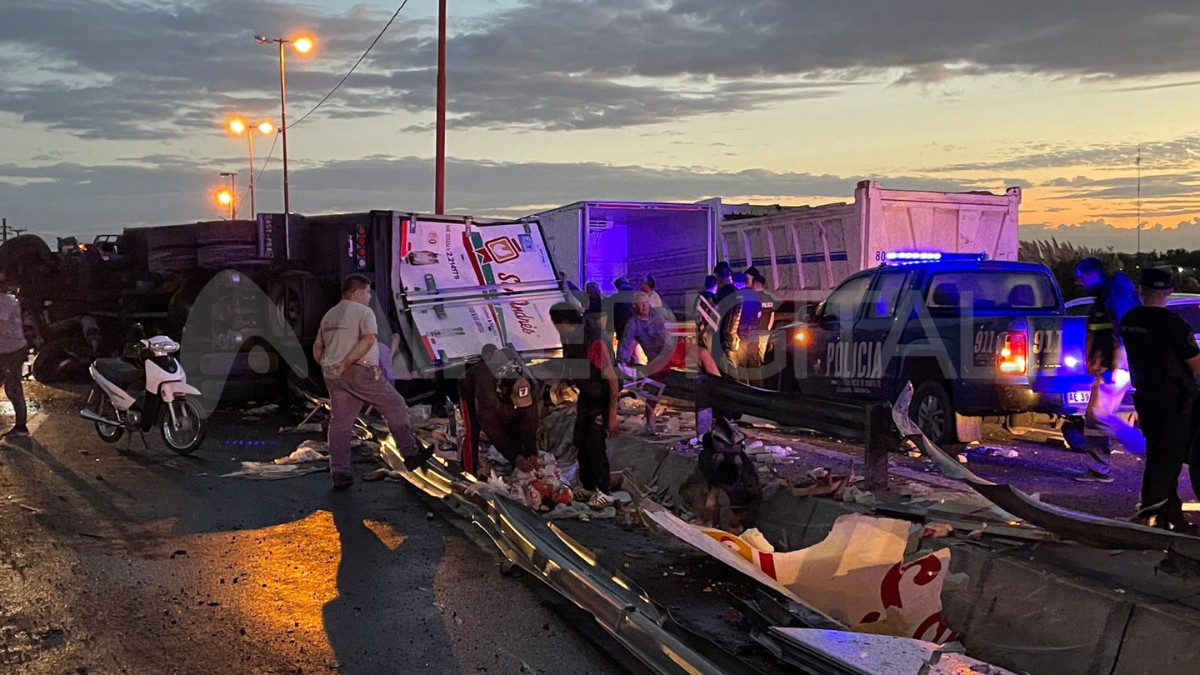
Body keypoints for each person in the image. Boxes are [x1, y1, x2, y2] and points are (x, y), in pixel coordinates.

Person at [315, 275, 430, 489]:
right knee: (395, 405)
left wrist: (328, 364)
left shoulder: (329, 315)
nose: (369, 297)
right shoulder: (363, 312)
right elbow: (367, 340)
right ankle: (410, 453)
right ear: (358, 291)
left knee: (340, 422)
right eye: (367, 292)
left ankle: (339, 472)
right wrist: (348, 363)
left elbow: (318, 346)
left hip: (333, 376)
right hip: (359, 371)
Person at [1119, 268, 1200, 531]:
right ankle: (1150, 516)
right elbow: (1195, 364)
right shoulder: (1173, 324)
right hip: (1173, 399)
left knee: (1158, 453)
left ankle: (1171, 516)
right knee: (1168, 459)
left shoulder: (1130, 320)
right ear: (1169, 291)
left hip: (1145, 396)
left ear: (1140, 290)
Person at [1075, 257, 1143, 482]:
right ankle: (1099, 467)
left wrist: (1111, 366)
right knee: (1097, 417)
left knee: (1099, 416)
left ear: (1092, 274)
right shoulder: (1109, 295)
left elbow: (1118, 331)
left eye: (1081, 278)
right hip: (1114, 366)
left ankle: (1137, 445)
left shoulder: (1110, 297)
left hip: (1114, 367)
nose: (1080, 283)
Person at [550, 302, 620, 509]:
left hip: (602, 395)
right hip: (587, 394)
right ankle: (588, 486)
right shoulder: (569, 337)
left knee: (595, 443)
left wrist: (612, 415)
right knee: (580, 438)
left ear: (562, 322)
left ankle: (603, 490)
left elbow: (613, 379)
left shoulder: (591, 339)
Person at [458, 344, 540, 476]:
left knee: (514, 423)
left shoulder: (529, 385)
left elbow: (529, 423)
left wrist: (532, 452)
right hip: (469, 390)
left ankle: (520, 466)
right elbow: (492, 429)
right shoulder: (487, 390)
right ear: (505, 392)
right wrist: (515, 457)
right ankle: (468, 472)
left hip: (504, 392)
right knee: (472, 430)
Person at [620, 292, 673, 433]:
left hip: (672, 351)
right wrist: (622, 362)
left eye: (646, 303)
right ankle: (649, 419)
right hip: (657, 359)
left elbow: (673, 326)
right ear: (634, 306)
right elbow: (626, 343)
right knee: (652, 388)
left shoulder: (658, 314)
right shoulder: (633, 324)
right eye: (641, 304)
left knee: (701, 355)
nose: (644, 307)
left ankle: (718, 383)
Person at [0, 281, 28, 439]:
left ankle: (21, 426)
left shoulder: (4, 302)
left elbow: (1, 327)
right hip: (6, 349)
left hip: (11, 351)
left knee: (13, 388)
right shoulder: (10, 299)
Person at [610, 277, 635, 352]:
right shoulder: (636, 296)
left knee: (622, 353)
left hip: (621, 329)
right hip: (635, 330)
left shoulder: (615, 298)